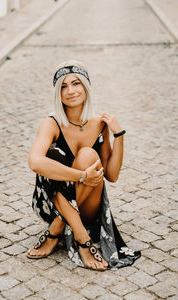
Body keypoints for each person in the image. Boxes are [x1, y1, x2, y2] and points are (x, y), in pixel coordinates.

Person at [27, 60, 141, 271]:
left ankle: (57, 229)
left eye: (76, 83)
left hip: (88, 206)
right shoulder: (51, 124)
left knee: (88, 154)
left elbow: (112, 175)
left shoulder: (99, 125)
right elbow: (34, 162)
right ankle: (81, 237)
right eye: (63, 86)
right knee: (49, 155)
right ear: (57, 94)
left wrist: (119, 135)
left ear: (86, 87)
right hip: (53, 203)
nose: (70, 91)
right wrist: (80, 176)